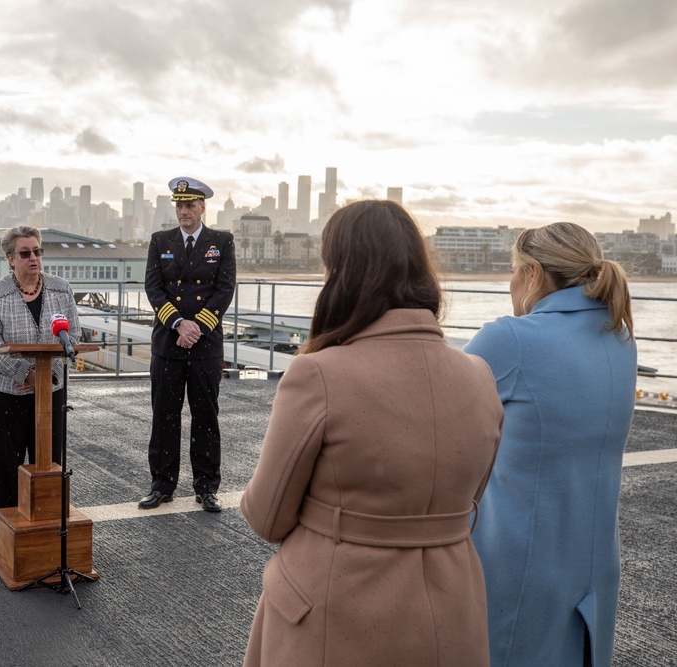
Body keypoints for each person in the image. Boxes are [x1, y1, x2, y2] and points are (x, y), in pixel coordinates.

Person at [240, 200, 504, 666]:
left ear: (342, 273)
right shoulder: (479, 375)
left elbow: (267, 517)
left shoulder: (317, 375)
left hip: (336, 612)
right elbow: (470, 496)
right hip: (451, 610)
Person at [464, 222, 637, 666]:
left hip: (514, 566)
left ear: (534, 274)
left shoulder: (510, 339)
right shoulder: (620, 337)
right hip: (593, 564)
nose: (511, 283)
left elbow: (436, 419)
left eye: (513, 270)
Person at [138, 177, 236, 512]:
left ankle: (207, 487)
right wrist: (179, 324)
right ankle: (161, 486)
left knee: (206, 417)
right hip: (169, 342)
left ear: (202, 207)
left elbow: (224, 290)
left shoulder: (221, 241)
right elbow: (153, 288)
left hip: (205, 345)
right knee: (164, 416)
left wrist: (197, 327)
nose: (184, 211)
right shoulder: (160, 240)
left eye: (190, 205)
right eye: (179, 206)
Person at [0, 226, 80, 537]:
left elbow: (72, 337)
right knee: (7, 468)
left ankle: (47, 534)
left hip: (51, 392)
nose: (33, 257)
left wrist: (47, 377)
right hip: (6, 393)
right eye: (25, 253)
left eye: (37, 251)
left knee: (48, 465)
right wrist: (26, 373)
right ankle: (5, 539)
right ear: (10, 259)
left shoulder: (62, 289)